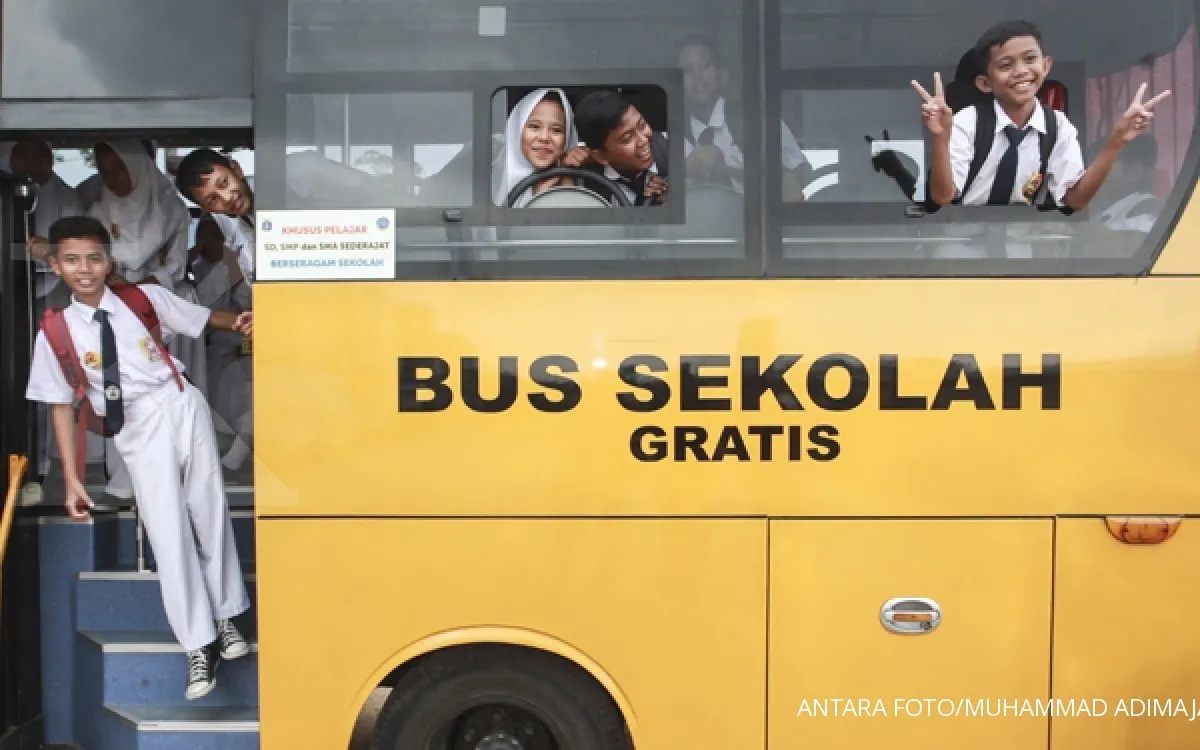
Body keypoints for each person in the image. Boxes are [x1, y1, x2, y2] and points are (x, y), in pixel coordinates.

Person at [25, 216, 253, 701]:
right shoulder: (56, 331)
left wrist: (243, 320)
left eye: (94, 258)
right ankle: (198, 643)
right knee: (166, 528)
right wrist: (72, 478)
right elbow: (60, 406)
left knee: (209, 509)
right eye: (72, 260)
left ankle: (227, 615)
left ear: (108, 262)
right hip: (134, 423)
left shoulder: (141, 298)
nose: (85, 269)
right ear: (56, 266)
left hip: (179, 400)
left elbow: (200, 318)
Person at [916, 19, 1170, 211]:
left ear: (1046, 66)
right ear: (985, 83)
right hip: (963, 249)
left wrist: (1117, 141)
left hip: (1028, 253)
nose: (1021, 71)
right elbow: (943, 196)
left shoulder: (1058, 126)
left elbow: (1075, 199)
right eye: (1006, 65)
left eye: (1030, 59)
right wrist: (940, 138)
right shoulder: (968, 121)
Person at [676, 36, 808, 200]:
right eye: (687, 70)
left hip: (754, 216)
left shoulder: (758, 122)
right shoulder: (671, 139)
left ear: (722, 75)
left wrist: (731, 169)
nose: (697, 76)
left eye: (705, 66)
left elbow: (797, 173)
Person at [189, 216, 253, 471]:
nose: (208, 243)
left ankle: (236, 455)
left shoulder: (240, 265)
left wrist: (234, 270)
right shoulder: (194, 266)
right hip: (207, 346)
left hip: (239, 343)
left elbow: (247, 305)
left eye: (215, 237)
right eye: (202, 236)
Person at [491, 88, 589, 207]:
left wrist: (566, 175)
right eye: (535, 127)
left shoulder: (582, 179)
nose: (544, 137)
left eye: (556, 130)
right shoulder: (486, 182)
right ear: (517, 130)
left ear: (567, 138)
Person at [573, 90, 668, 207]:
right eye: (627, 138)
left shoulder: (674, 150)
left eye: (642, 125)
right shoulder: (585, 182)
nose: (643, 140)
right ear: (600, 156)